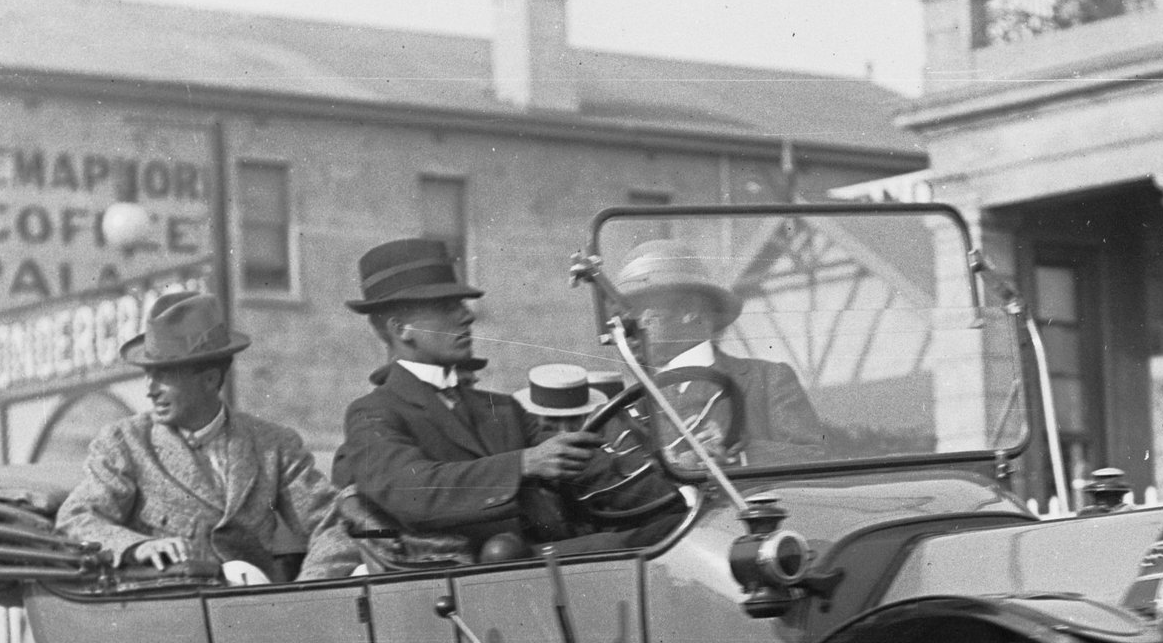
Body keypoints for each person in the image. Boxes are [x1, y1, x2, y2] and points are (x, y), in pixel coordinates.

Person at [331, 239, 675, 560]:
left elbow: (596, 472)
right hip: (483, 577)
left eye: (463, 304)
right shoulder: (373, 414)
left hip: (534, 563)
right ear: (401, 328)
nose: (467, 315)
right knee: (659, 545)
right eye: (448, 307)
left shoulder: (501, 409)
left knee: (673, 532)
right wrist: (523, 465)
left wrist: (686, 488)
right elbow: (415, 491)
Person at [57, 290, 336, 580]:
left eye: (164, 375)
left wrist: (306, 593)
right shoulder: (125, 443)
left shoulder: (274, 447)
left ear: (210, 379)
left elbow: (332, 523)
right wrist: (137, 547)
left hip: (254, 611)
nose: (150, 389)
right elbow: (77, 518)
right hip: (168, 611)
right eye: (148, 374)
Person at [614, 239, 827, 467]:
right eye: (620, 315)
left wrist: (740, 454)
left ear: (689, 310)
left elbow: (814, 457)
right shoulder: (624, 407)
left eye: (637, 310)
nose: (624, 327)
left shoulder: (768, 379)